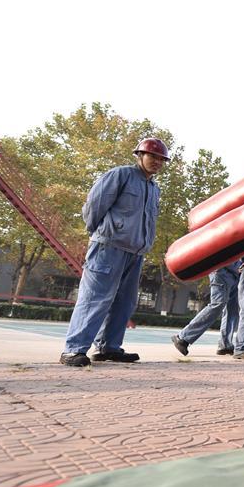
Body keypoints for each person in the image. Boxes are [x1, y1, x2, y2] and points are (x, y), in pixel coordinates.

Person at [60, 138, 168, 367]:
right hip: (108, 247)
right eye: (152, 156)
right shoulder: (121, 175)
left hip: (135, 252)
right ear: (139, 155)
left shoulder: (153, 188)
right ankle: (73, 349)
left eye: (161, 159)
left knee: (124, 302)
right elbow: (94, 205)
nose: (157, 161)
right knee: (95, 298)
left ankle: (108, 347)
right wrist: (100, 233)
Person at [171, 261, 240, 356]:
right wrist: (238, 265)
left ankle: (225, 344)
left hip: (236, 274)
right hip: (222, 271)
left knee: (232, 310)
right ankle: (183, 337)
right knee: (217, 305)